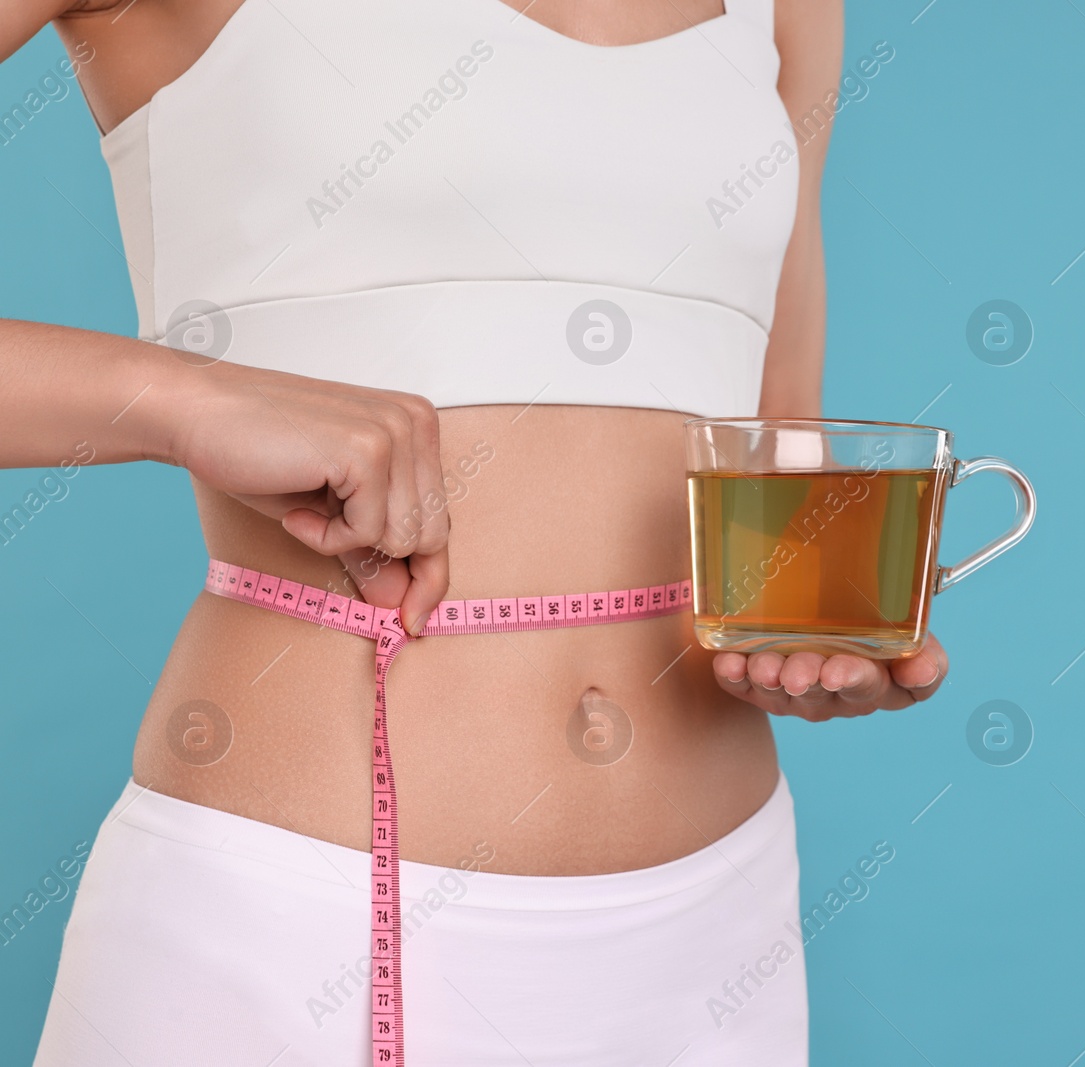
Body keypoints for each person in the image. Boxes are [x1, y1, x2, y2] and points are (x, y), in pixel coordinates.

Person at [1, 0, 948, 1062]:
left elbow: (778, 433)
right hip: (294, 920)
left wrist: (811, 628)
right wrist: (182, 397)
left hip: (716, 931)